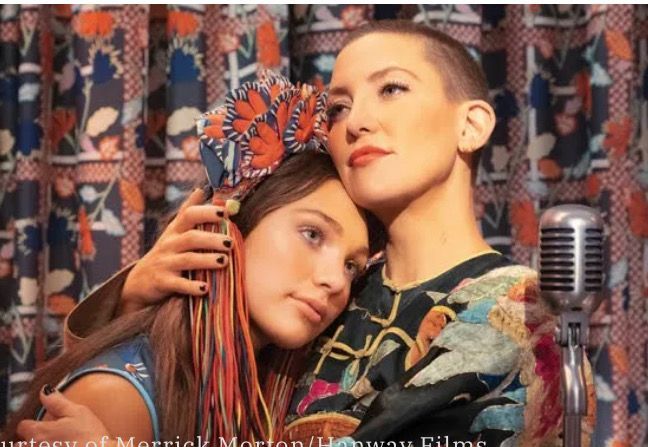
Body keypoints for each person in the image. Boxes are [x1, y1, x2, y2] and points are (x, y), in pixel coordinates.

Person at [15, 20, 595, 446]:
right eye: (338, 107)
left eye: (391, 88)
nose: (357, 121)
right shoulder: (324, 300)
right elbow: (176, 388)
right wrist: (138, 298)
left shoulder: (519, 315)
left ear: (471, 124)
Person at [4, 75, 373, 444]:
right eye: (312, 234)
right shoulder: (117, 397)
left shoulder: (271, 393)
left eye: (351, 267)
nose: (335, 282)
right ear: (230, 224)